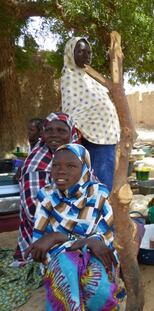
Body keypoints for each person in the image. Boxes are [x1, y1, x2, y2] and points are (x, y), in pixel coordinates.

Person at [27, 144, 121, 310]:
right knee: (67, 266)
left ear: (84, 168)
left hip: (95, 255)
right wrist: (82, 241)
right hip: (59, 256)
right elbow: (40, 245)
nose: (61, 171)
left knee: (97, 287)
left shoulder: (99, 194)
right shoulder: (46, 196)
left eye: (70, 166)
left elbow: (104, 237)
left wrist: (58, 237)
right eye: (56, 165)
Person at [12, 112, 79, 267]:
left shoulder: (78, 157)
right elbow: (33, 213)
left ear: (72, 133)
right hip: (43, 238)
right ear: (43, 134)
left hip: (74, 225)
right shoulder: (37, 167)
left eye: (61, 131)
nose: (54, 135)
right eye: (49, 131)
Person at [61, 37, 120, 191]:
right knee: (98, 186)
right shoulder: (70, 77)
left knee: (104, 182)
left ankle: (99, 211)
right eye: (80, 51)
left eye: (88, 52)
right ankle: (97, 213)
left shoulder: (88, 78)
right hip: (93, 139)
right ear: (70, 53)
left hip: (105, 137)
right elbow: (72, 112)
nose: (86, 55)